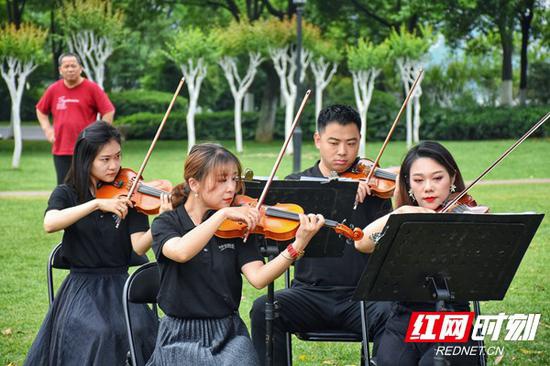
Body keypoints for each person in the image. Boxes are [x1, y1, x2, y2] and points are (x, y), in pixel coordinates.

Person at [145, 143, 325, 366]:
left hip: (228, 332)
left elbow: (258, 278)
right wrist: (221, 215)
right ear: (194, 184)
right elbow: (181, 252)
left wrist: (297, 245)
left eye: (234, 179)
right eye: (222, 180)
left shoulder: (236, 226)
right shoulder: (167, 222)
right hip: (179, 335)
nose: (231, 188)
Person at [250, 104, 393, 365]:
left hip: (360, 297)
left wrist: (364, 196)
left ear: (360, 140)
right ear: (318, 140)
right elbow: (272, 239)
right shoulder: (296, 185)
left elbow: (387, 246)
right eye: (334, 142)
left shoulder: (375, 192)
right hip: (308, 294)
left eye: (351, 143)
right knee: (264, 309)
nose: (343, 151)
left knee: (394, 313)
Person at [24, 121, 171, 366]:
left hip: (120, 285)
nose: (114, 165)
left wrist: (161, 222)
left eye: (117, 156)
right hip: (82, 288)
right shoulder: (67, 193)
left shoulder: (130, 193)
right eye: (105, 159)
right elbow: (50, 223)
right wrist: (96, 204)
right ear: (86, 159)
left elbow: (138, 247)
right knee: (100, 333)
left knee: (139, 330)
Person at [355, 141, 480, 366]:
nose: (428, 187)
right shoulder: (403, 220)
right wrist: (401, 212)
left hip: (453, 319)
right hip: (404, 319)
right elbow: (362, 242)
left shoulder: (468, 214)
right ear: (409, 184)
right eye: (418, 180)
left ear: (452, 178)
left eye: (437, 178)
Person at [36, 52, 115, 185]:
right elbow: (40, 110)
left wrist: (101, 135)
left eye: (73, 65)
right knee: (64, 187)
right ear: (60, 70)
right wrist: (47, 130)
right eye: (66, 66)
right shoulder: (53, 89)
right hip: (61, 147)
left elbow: (108, 111)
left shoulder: (92, 88)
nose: (70, 69)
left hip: (86, 148)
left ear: (81, 68)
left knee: (89, 185)